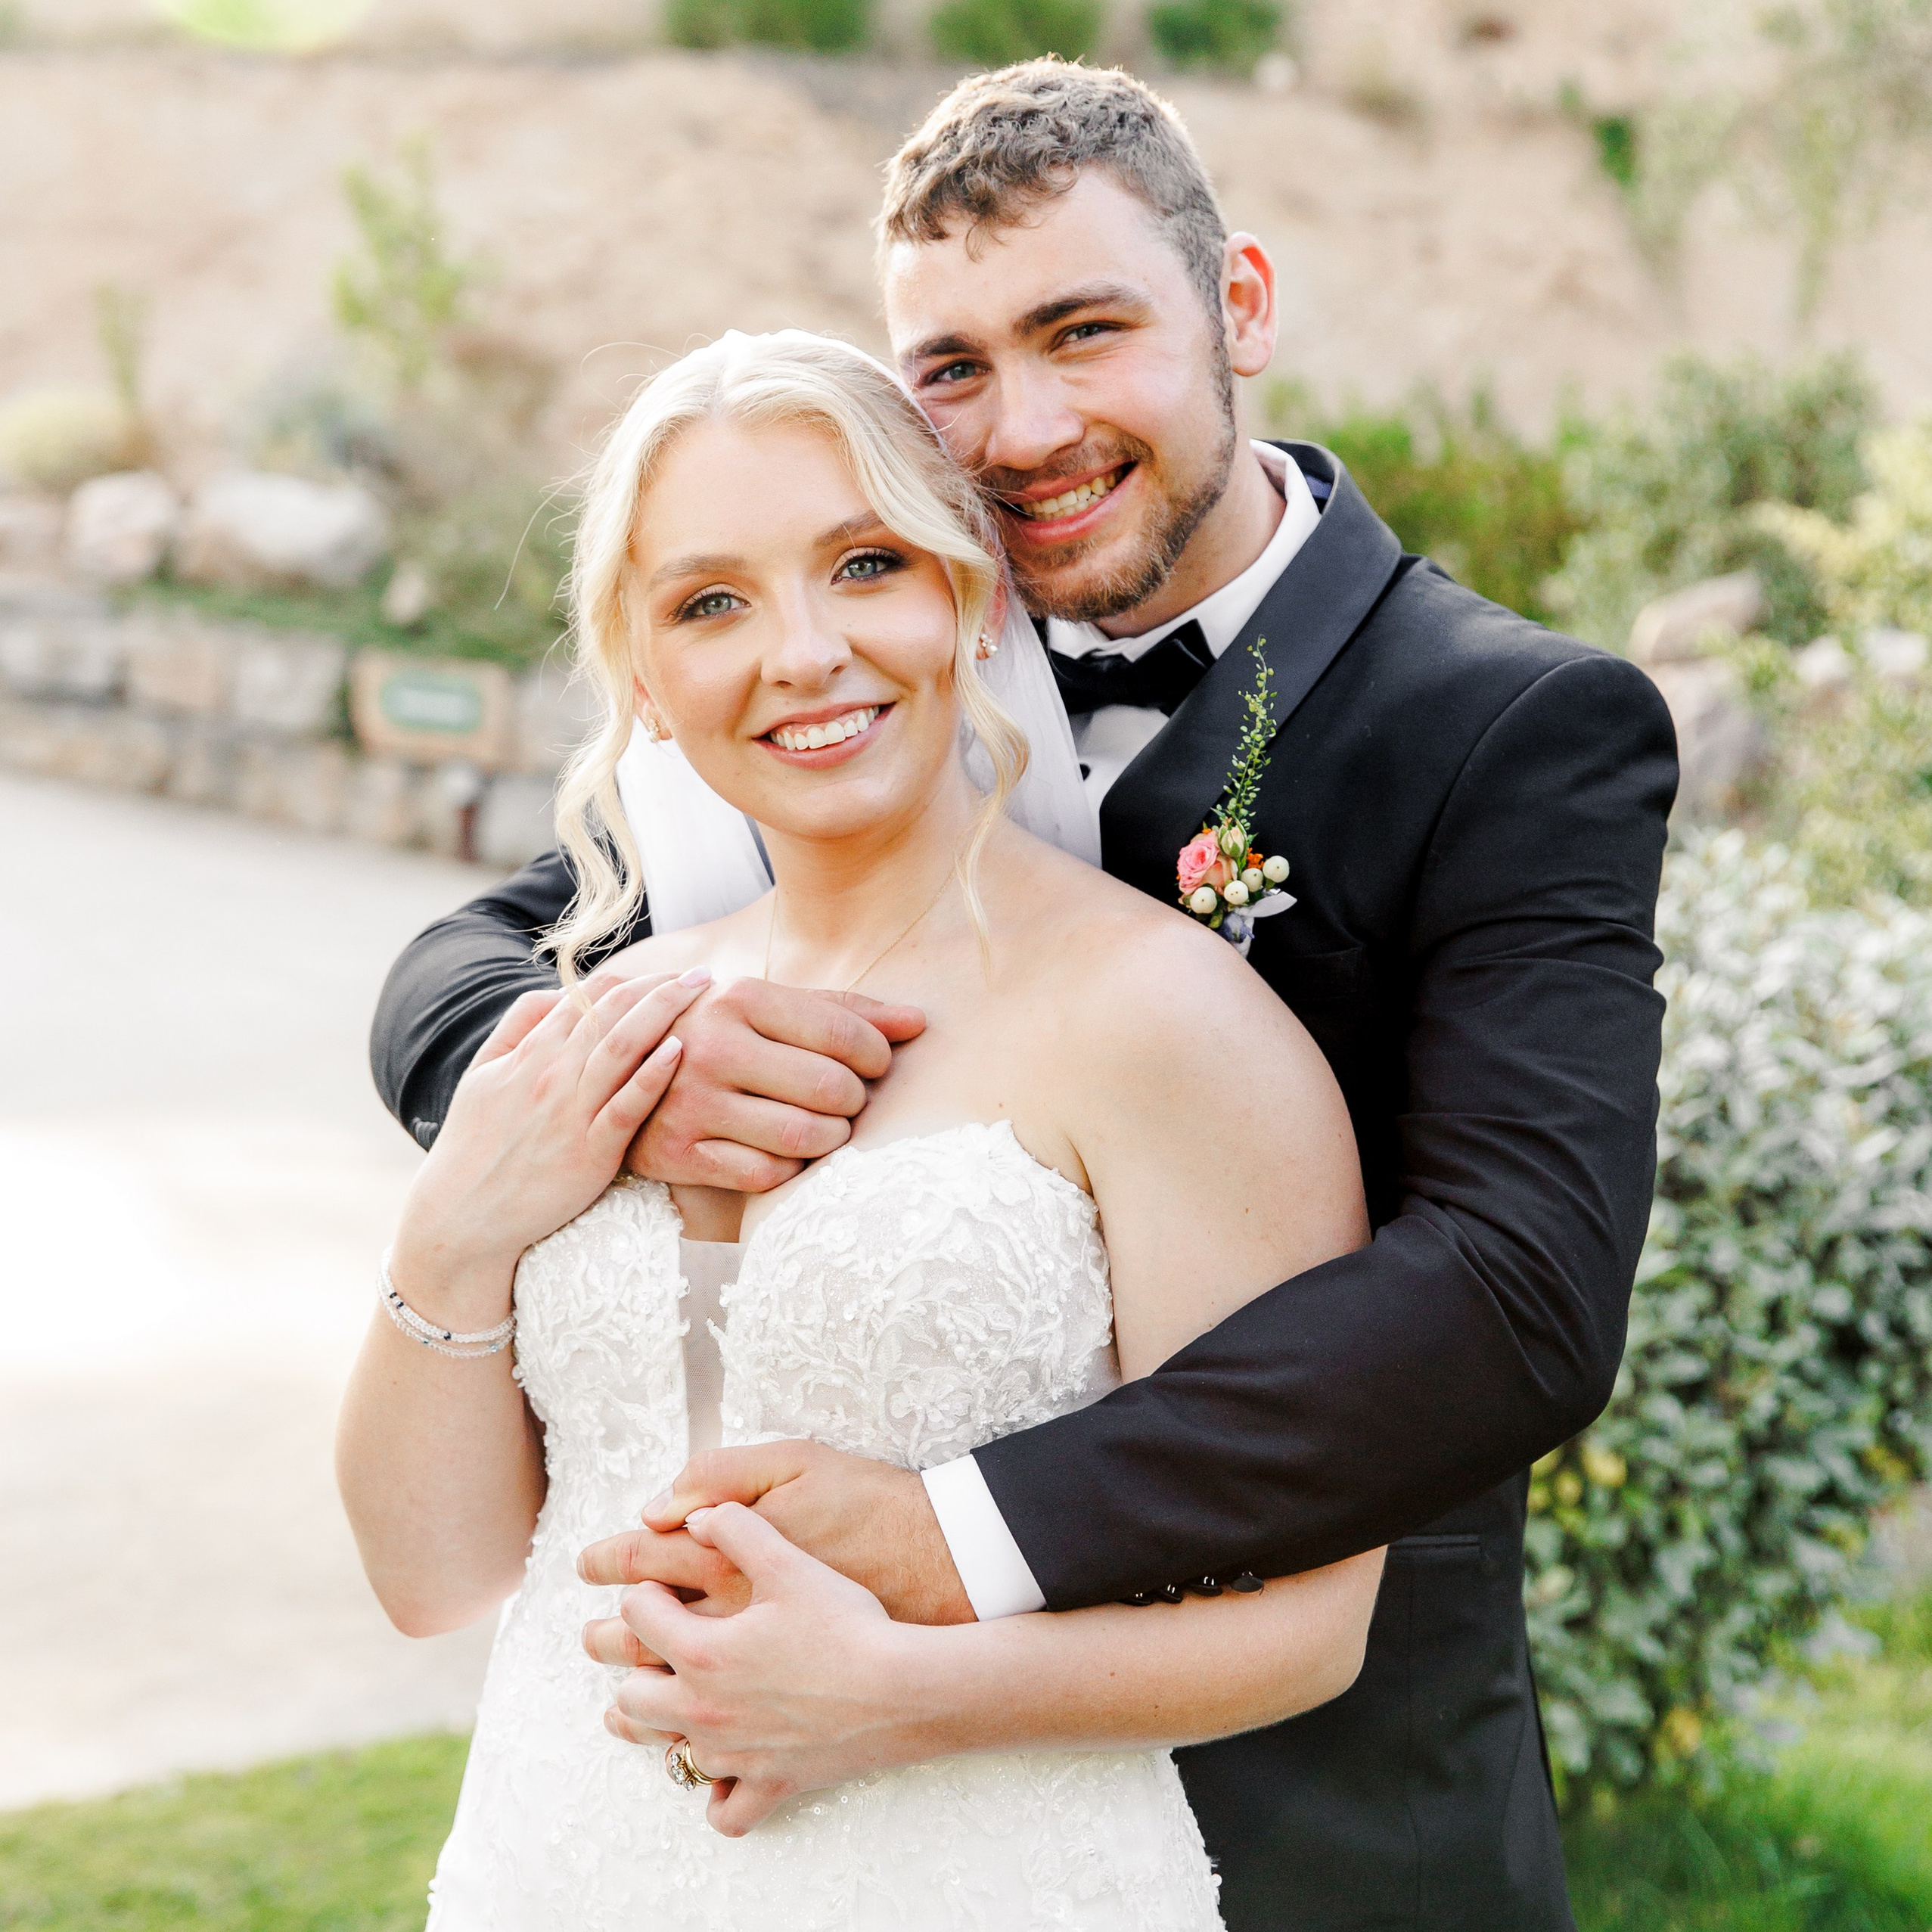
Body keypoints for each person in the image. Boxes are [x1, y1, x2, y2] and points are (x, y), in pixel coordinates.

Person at [371, 62, 1678, 1932]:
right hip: (749, 1796)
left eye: (1084, 331)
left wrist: (953, 1533)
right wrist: (608, 1090)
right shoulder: (881, 650)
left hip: (1308, 1777)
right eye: (953, 370)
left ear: (1236, 305)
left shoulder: (1509, 723)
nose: (1027, 426)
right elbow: (466, 960)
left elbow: (1519, 1289)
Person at [341, 327, 1384, 1927]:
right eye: (710, 602)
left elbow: (1305, 1626)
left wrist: (891, 1692)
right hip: (550, 1862)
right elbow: (434, 1575)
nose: (802, 652)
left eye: (863, 563)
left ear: (966, 591)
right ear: (640, 672)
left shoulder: (1165, 1025)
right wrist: (458, 1216)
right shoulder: (607, 1025)